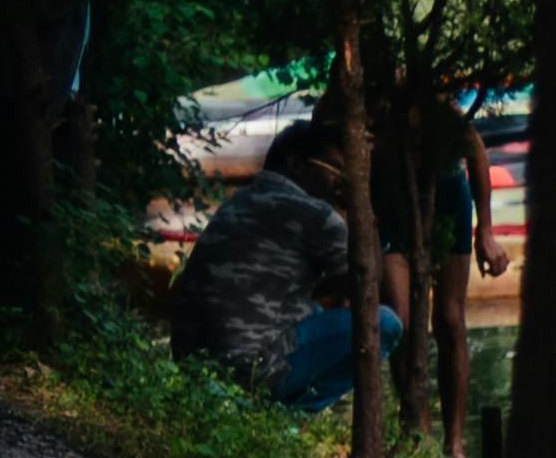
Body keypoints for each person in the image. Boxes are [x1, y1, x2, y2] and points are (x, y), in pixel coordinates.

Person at [165, 119, 403, 404]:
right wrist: (362, 206)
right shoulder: (313, 214)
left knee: (312, 308)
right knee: (386, 323)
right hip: (250, 368)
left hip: (196, 368)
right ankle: (287, 418)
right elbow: (368, 284)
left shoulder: (240, 201)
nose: (342, 180)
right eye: (336, 169)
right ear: (296, 165)